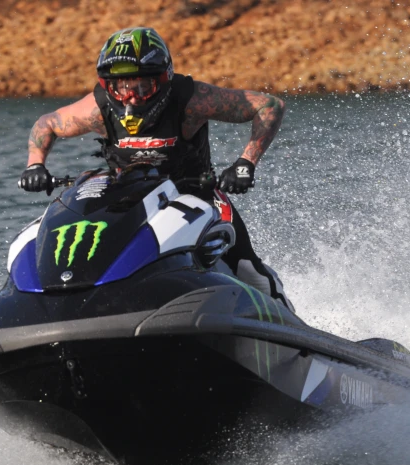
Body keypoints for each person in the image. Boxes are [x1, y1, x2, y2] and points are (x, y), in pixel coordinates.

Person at [19, 27, 293, 310]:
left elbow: (269, 106)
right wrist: (34, 165)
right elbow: (47, 124)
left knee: (247, 267)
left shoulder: (191, 99)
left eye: (143, 87)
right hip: (127, 201)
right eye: (121, 88)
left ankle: (290, 326)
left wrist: (245, 163)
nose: (132, 98)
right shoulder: (97, 108)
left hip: (195, 194)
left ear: (164, 80)